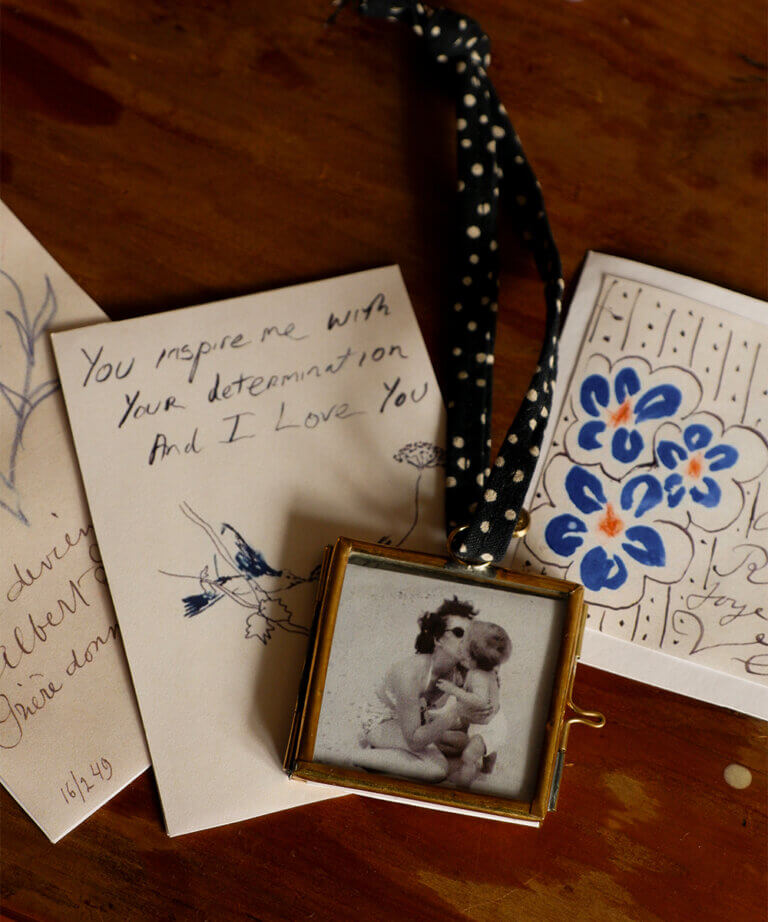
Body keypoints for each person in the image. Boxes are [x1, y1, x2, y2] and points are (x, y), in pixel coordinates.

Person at [355, 597, 493, 783]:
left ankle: (388, 751)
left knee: (461, 743)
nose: (467, 641)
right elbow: (414, 740)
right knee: (437, 769)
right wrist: (455, 713)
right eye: (459, 633)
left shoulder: (460, 671)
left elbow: (480, 712)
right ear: (438, 638)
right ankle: (358, 757)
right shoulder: (410, 673)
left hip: (417, 719)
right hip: (382, 720)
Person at [428, 620, 511, 787]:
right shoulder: (484, 671)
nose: (461, 647)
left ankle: (462, 785)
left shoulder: (479, 676)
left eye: (465, 644)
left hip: (488, 727)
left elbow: (480, 701)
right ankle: (487, 770)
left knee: (469, 756)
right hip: (489, 724)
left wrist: (454, 690)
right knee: (488, 748)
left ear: (474, 655)